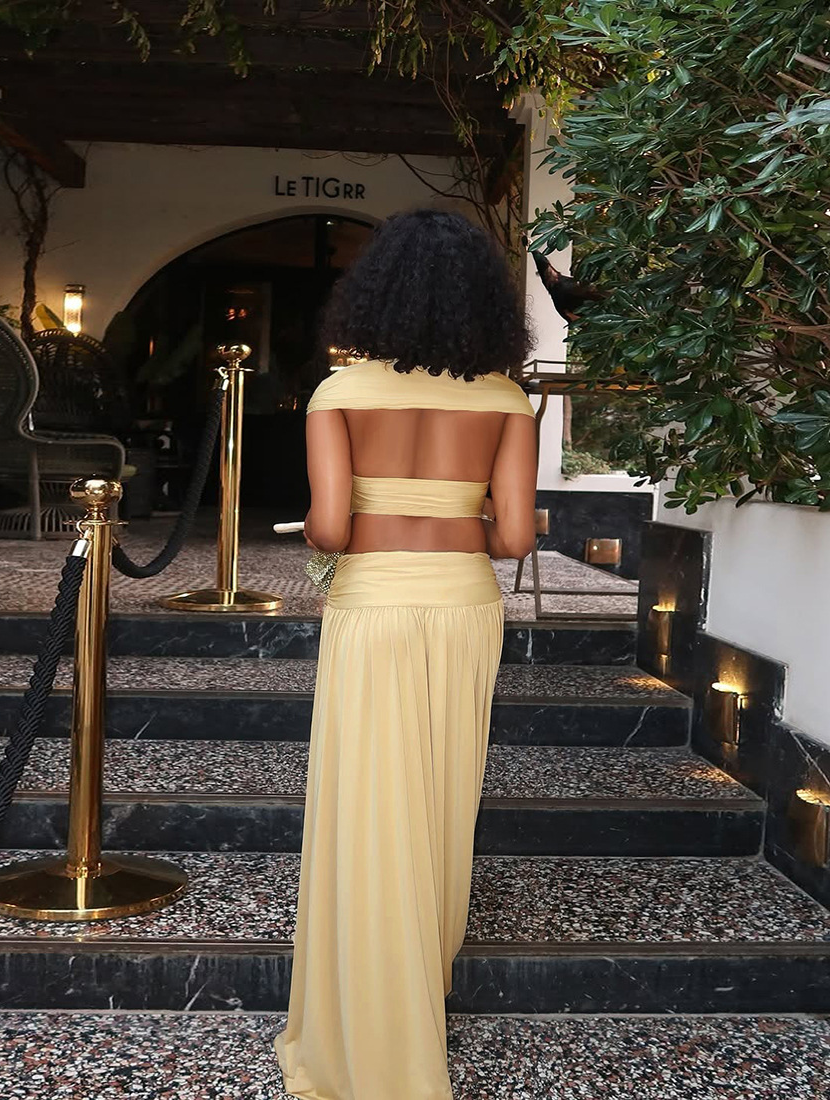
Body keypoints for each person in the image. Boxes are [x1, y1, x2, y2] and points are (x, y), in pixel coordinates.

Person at [274, 208, 538, 1100]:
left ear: (378, 291)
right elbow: (513, 539)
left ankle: (367, 1016)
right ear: (481, 300)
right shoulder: (505, 400)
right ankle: (421, 979)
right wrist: (454, 515)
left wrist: (345, 525)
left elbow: (329, 527)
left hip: (373, 605)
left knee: (366, 798)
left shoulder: (338, 395)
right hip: (462, 606)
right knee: (441, 793)